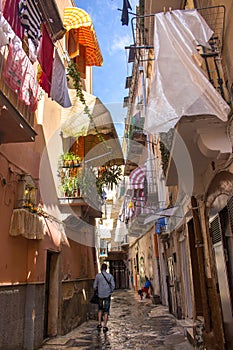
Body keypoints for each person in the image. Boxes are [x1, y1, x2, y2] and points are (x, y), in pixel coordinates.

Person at [93, 263, 115, 332]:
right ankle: (105, 326)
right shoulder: (110, 276)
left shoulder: (98, 276)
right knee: (106, 311)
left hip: (100, 295)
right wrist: (110, 291)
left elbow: (94, 286)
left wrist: (98, 290)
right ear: (106, 269)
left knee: (100, 309)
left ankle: (99, 323)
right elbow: (113, 286)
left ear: (101, 268)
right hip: (107, 295)